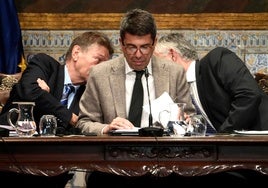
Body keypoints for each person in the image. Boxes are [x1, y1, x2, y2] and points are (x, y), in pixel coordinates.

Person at [75, 8, 195, 188]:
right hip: (114, 165)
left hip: (163, 163)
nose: (138, 55)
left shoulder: (174, 72)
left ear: (154, 42)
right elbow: (84, 123)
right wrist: (107, 128)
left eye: (145, 47)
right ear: (121, 43)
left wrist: (184, 122)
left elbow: (190, 119)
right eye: (131, 47)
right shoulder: (100, 74)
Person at [0, 31, 114, 188]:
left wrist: (44, 97)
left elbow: (82, 131)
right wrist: (72, 118)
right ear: (76, 53)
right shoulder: (44, 64)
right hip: (11, 157)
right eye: (98, 60)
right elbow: (29, 91)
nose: (102, 68)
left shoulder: (89, 95)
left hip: (54, 170)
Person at [154, 33, 268, 133]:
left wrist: (223, 137)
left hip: (258, 141)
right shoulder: (180, 92)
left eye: (159, 61)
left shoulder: (217, 59)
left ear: (172, 55)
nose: (158, 69)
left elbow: (249, 95)